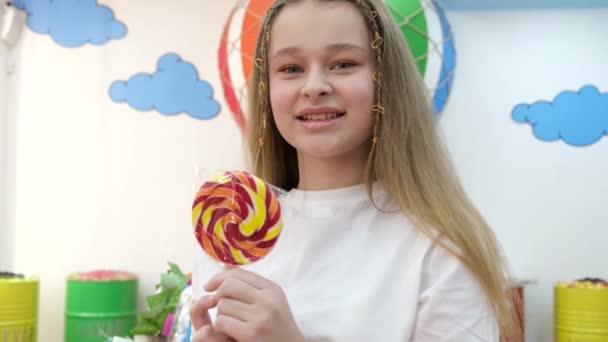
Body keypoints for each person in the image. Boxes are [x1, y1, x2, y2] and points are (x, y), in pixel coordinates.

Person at [191, 0, 518, 341]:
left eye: (343, 64)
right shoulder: (229, 232)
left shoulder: (441, 250)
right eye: (290, 68)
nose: (314, 85)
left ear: (384, 82)